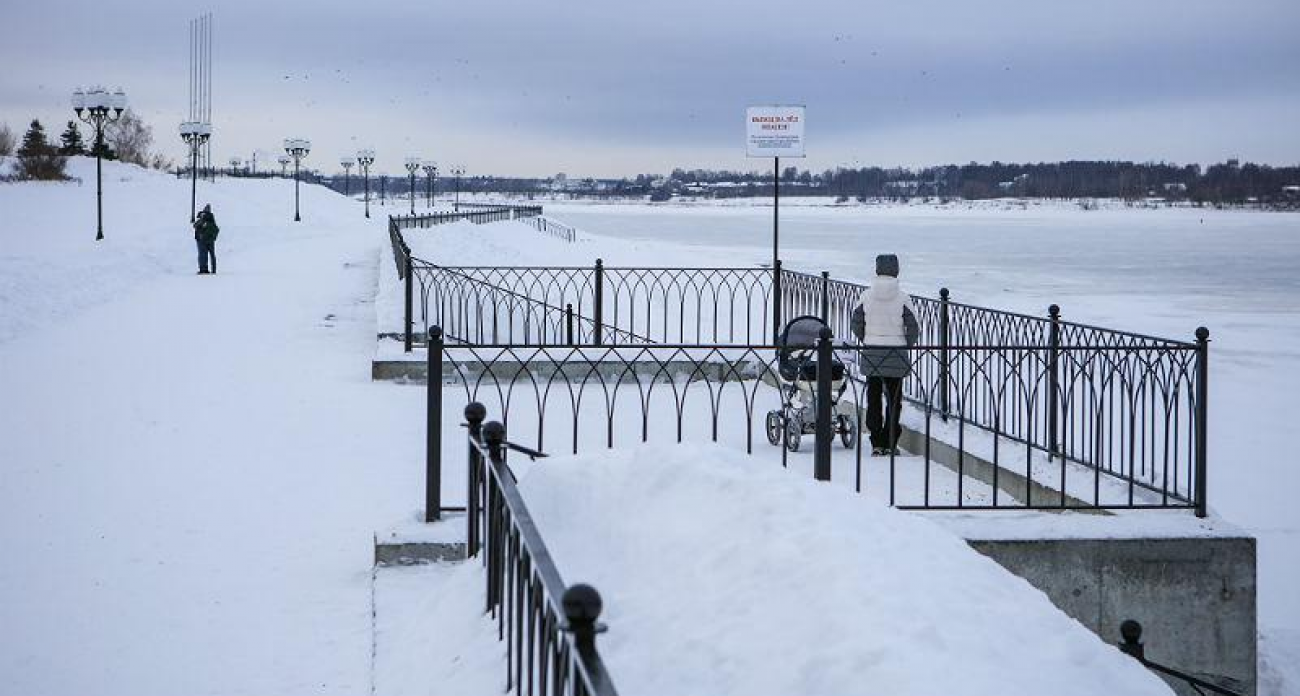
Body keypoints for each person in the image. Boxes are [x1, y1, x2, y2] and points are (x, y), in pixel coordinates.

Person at [851, 254, 919, 456]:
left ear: (877, 269)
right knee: (894, 400)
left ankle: (876, 443)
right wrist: (904, 344)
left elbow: (856, 324)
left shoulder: (866, 296)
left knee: (873, 398)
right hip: (896, 354)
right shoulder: (903, 298)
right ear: (896, 270)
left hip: (873, 353)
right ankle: (890, 442)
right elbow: (913, 328)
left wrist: (868, 339)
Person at [194, 204, 219, 274]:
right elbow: (216, 229)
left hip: (202, 240)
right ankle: (212, 270)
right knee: (211, 255)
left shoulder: (204, 218)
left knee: (203, 255)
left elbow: (195, 226)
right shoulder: (211, 219)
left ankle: (203, 269)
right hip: (208, 240)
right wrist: (214, 238)